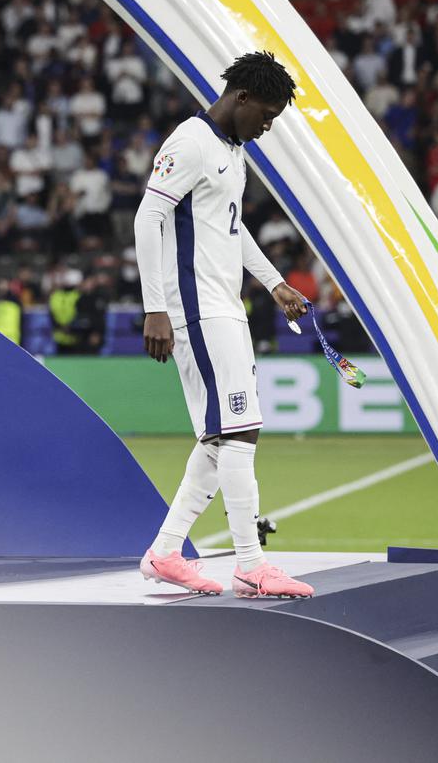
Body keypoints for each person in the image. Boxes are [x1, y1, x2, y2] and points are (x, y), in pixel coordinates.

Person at [133, 51, 314, 599]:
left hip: (225, 305)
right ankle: (250, 563)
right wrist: (155, 306)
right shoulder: (190, 141)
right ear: (241, 98)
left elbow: (231, 231)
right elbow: (148, 216)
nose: (268, 125)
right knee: (238, 430)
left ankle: (166, 552)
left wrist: (273, 282)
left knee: (222, 435)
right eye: (267, 113)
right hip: (194, 308)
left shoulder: (232, 152)